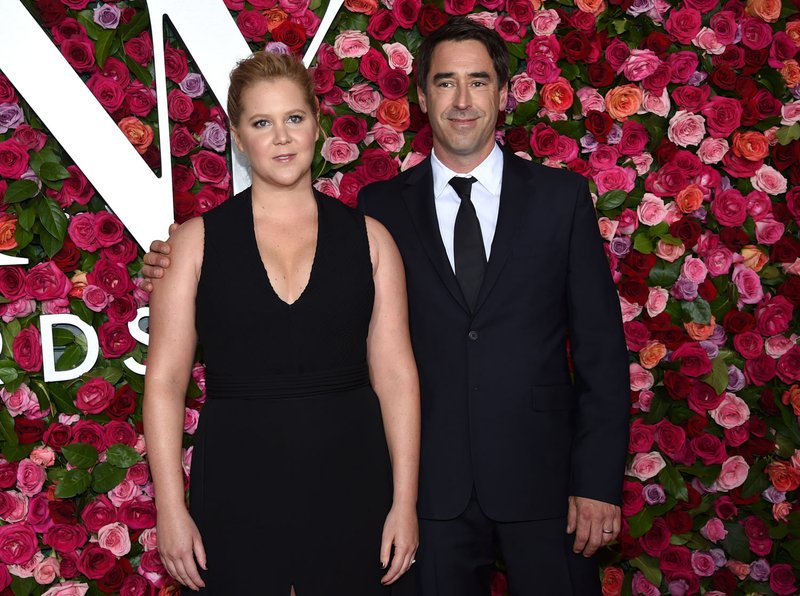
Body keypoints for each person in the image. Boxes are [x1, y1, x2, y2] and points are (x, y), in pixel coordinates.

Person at [144, 18, 630, 595]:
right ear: (422, 97)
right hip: (398, 492)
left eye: (478, 81)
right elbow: (172, 374)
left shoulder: (553, 200)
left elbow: (599, 351)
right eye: (445, 82)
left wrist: (595, 480)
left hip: (529, 482)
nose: (463, 99)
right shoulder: (381, 208)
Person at [142, 50, 420, 595]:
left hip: (353, 474)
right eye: (261, 123)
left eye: (293, 117)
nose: (282, 137)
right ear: (238, 137)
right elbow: (165, 382)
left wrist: (405, 503)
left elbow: (396, 376)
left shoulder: (372, 241)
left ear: (316, 121)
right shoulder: (193, 244)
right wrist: (170, 509)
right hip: (236, 479)